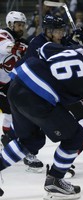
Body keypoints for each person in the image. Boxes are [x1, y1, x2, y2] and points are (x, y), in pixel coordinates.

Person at [0, 36, 83, 200]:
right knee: (76, 136)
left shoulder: (80, 49)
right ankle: (55, 180)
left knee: (30, 141)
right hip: (38, 97)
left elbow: (44, 49)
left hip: (17, 84)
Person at [7, 14, 83, 173]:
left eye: (62, 31)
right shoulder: (37, 44)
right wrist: (75, 46)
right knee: (38, 130)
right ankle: (15, 139)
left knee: (40, 132)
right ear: (48, 31)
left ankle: (59, 160)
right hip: (26, 90)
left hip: (39, 92)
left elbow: (77, 52)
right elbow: (59, 56)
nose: (61, 34)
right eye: (57, 31)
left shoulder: (59, 40)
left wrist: (78, 41)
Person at [0, 11, 27, 153]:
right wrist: (14, 48)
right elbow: (4, 46)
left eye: (23, 25)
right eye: (18, 25)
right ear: (10, 24)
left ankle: (6, 139)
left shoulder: (19, 41)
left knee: (11, 112)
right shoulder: (3, 35)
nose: (21, 28)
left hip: (4, 84)